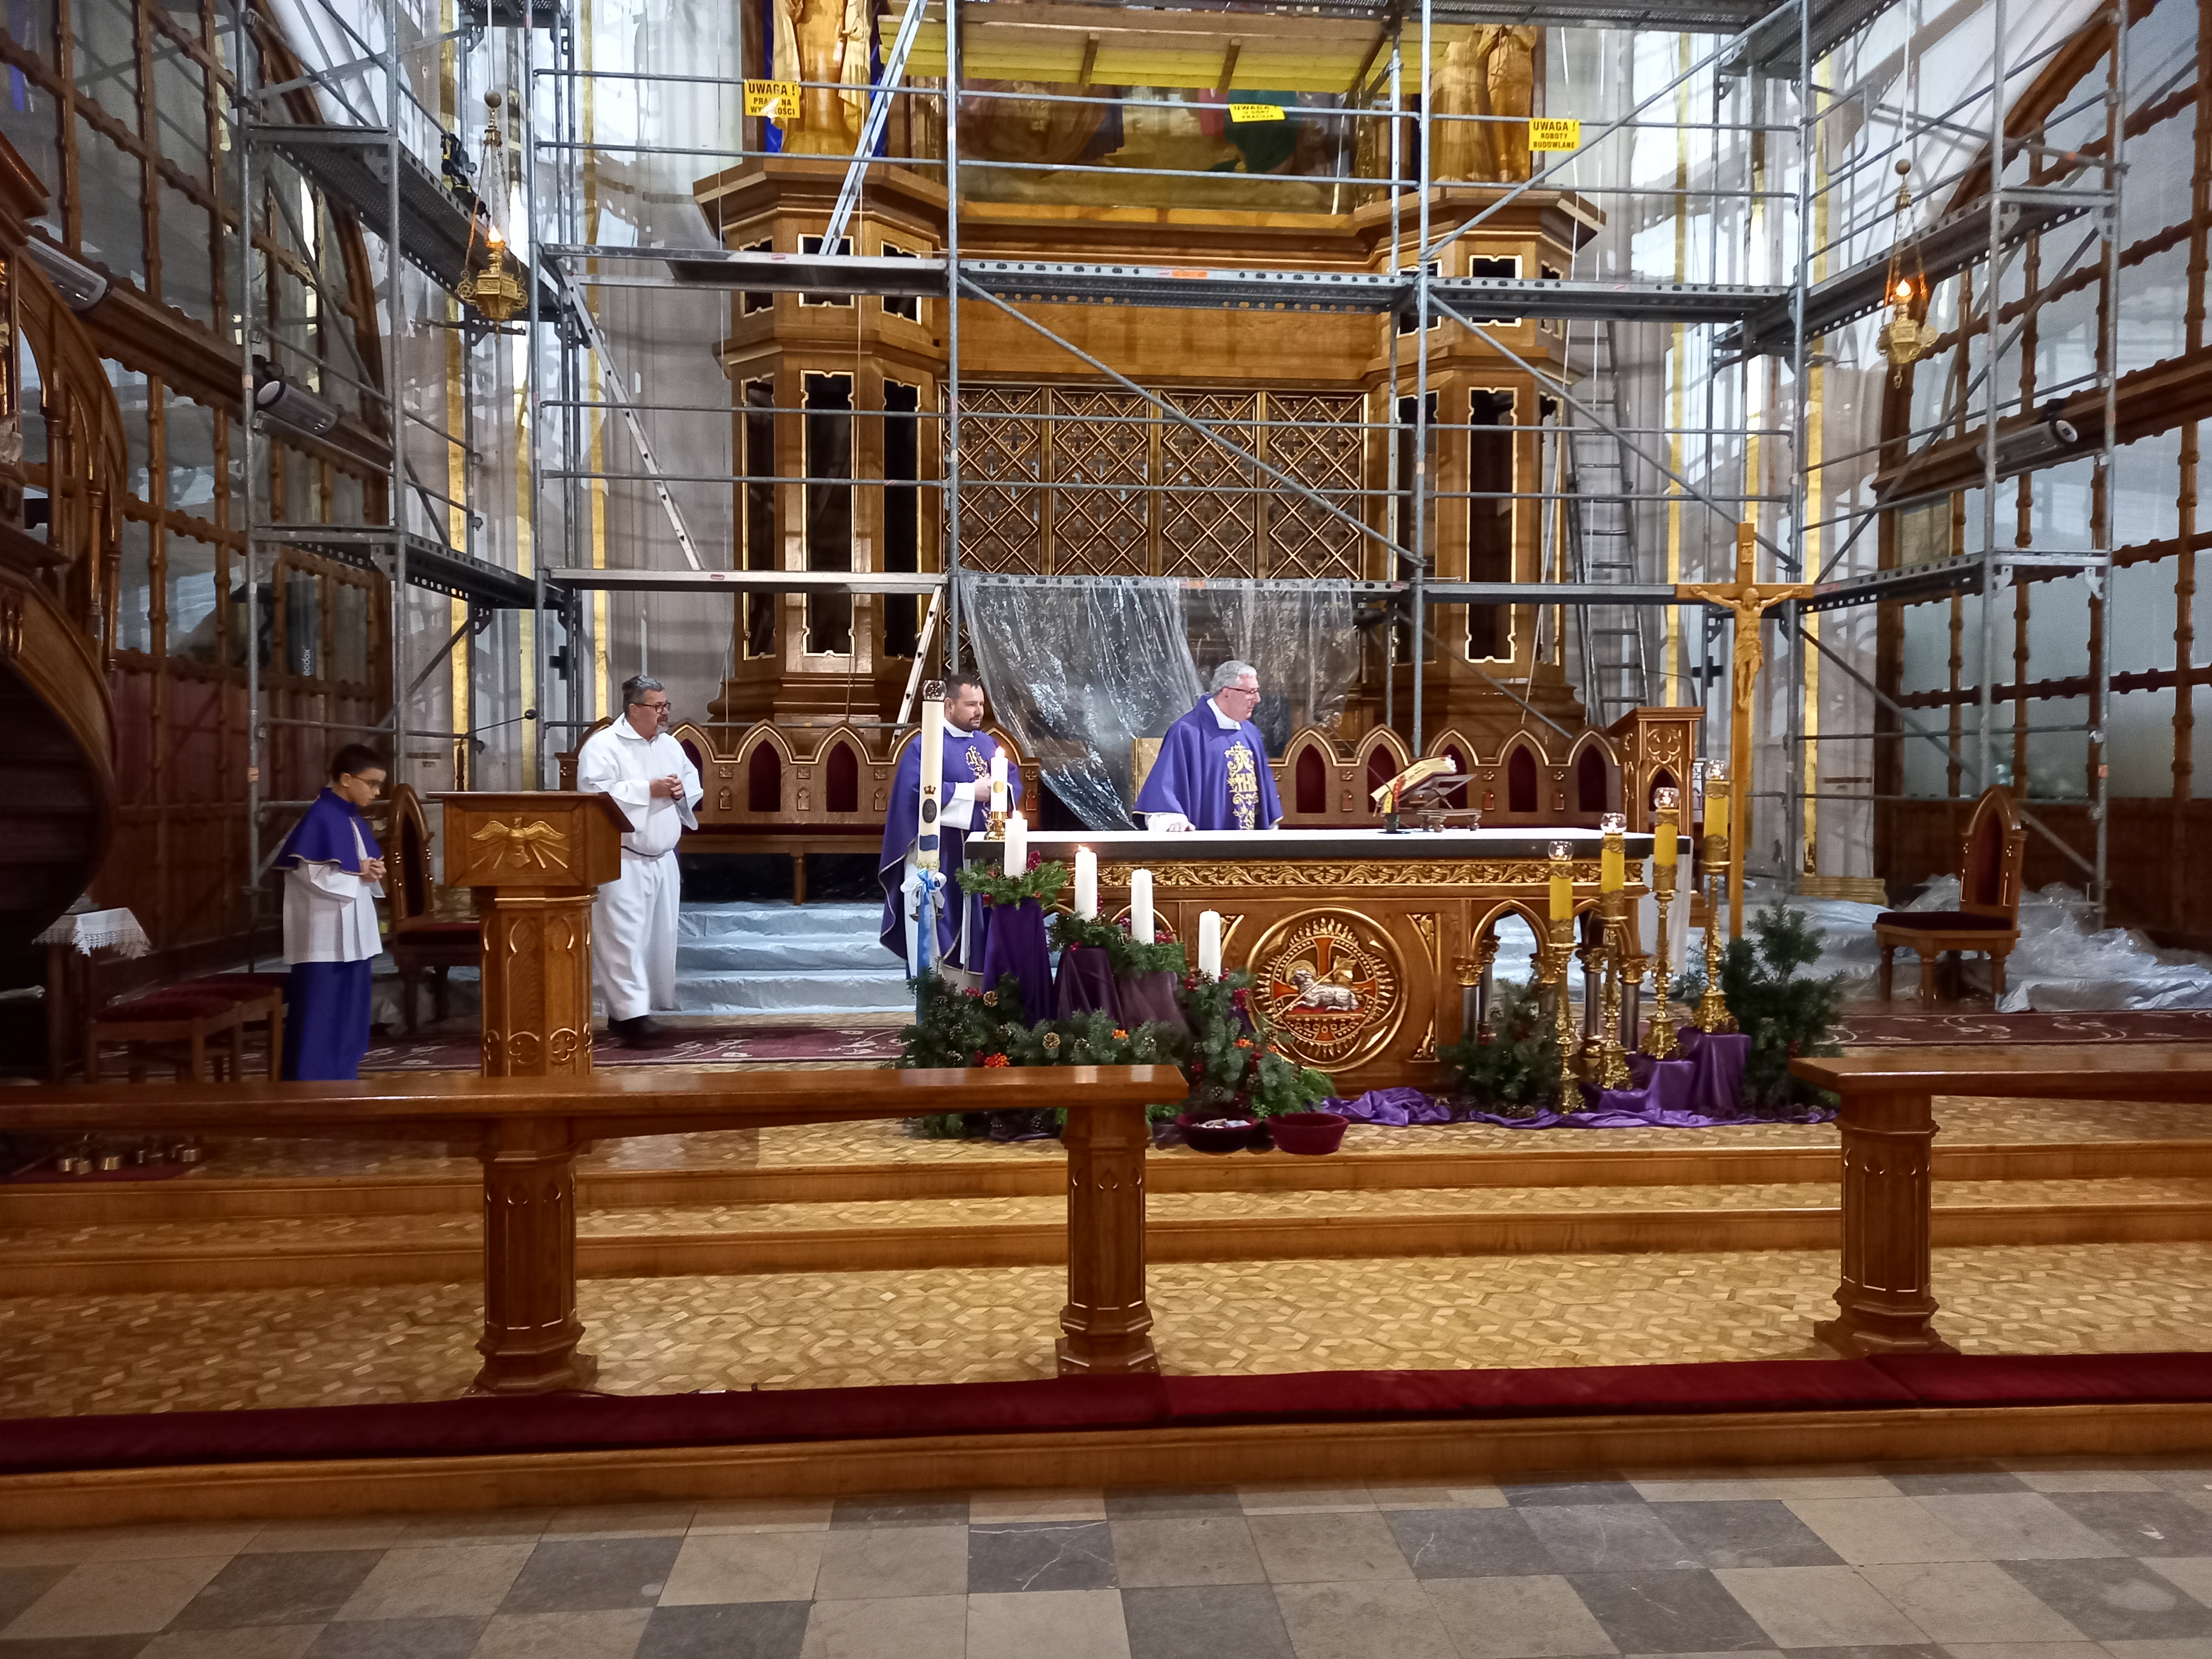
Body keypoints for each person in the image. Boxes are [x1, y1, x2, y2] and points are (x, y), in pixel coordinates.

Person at [577, 675, 703, 1047]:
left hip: (662, 859)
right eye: (657, 706)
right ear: (634, 709)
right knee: (624, 939)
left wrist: (680, 791)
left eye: (666, 706)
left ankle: (629, 1012)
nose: (664, 713)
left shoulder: (669, 745)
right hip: (622, 859)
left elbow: (691, 783)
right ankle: (632, 1019)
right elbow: (594, 793)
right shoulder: (603, 745)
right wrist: (648, 789)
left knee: (655, 939)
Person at [878, 672, 1022, 968]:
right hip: (942, 855)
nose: (979, 711)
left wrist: (1000, 790)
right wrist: (971, 792)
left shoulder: (987, 744)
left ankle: (981, 985)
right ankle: (943, 989)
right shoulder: (924, 745)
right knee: (942, 929)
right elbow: (916, 794)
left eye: (981, 704)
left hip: (984, 856)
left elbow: (1011, 782)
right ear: (949, 705)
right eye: (971, 705)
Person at [273, 744, 388, 1080]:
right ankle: (310, 1080)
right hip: (323, 932)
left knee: (350, 1009)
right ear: (346, 779)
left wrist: (371, 871)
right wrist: (359, 874)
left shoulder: (350, 818)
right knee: (321, 1009)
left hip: (353, 931)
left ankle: (342, 1073)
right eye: (372, 783)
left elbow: (356, 866)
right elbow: (311, 874)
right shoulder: (322, 816)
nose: (377, 792)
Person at [1134, 659, 1284, 832]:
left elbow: (1266, 795)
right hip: (1206, 842)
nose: (1257, 699)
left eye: (1257, 691)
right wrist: (1174, 822)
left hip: (1247, 843)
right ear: (1227, 693)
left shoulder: (1251, 734)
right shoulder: (1187, 732)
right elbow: (1165, 789)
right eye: (1251, 692)